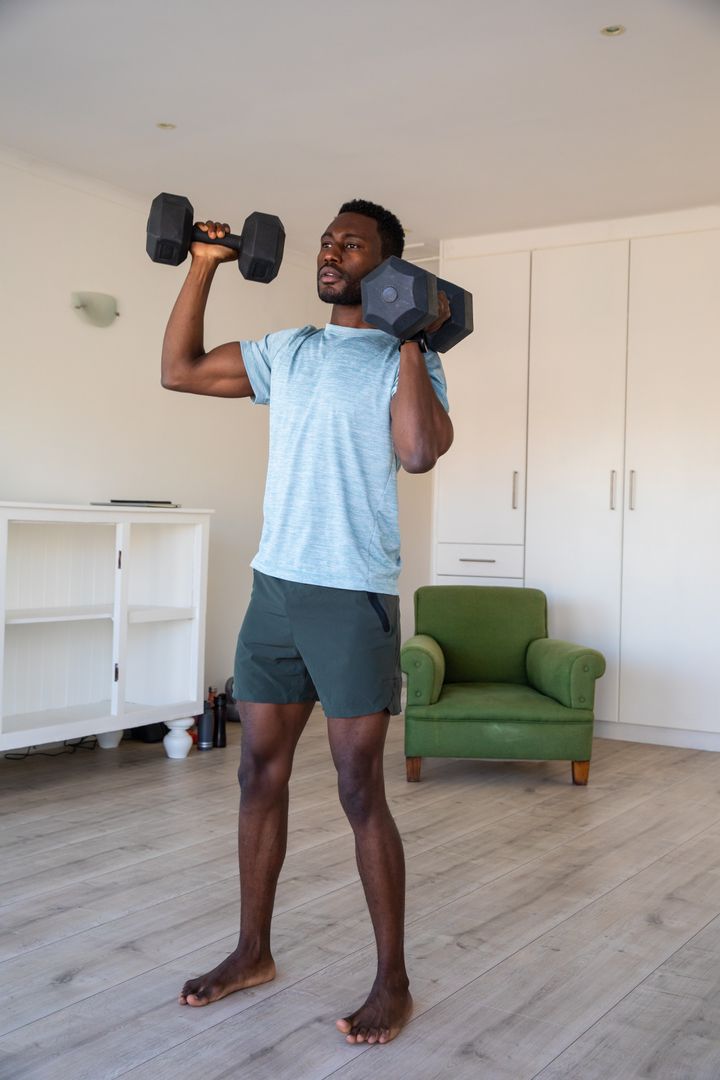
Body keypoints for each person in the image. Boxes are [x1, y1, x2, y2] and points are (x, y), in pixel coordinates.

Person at [161, 198, 453, 1045]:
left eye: (351, 244)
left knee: (360, 788)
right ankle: (252, 950)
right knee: (258, 771)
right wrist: (204, 266)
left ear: (387, 267)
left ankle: (392, 981)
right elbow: (179, 369)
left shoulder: (412, 361)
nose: (330, 252)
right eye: (328, 241)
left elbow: (418, 451)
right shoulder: (289, 350)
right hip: (277, 588)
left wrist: (409, 335)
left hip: (351, 592)